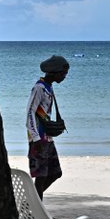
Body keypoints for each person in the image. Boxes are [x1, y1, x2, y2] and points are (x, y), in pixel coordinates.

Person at [26, 55, 69, 199]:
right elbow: (30, 112)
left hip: (47, 138)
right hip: (39, 139)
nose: (64, 76)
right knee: (41, 176)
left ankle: (32, 203)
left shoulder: (48, 87)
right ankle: (36, 212)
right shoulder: (39, 88)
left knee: (55, 173)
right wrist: (36, 138)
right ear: (55, 72)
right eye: (63, 73)